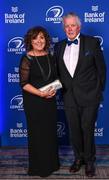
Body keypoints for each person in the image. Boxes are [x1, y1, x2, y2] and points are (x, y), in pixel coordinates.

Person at [54, 12, 106, 177]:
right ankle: (78, 158)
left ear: (79, 26)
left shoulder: (92, 43)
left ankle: (90, 161)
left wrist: (98, 91)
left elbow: (102, 70)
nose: (70, 29)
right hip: (69, 97)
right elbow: (57, 73)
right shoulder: (59, 46)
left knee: (88, 129)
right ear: (64, 28)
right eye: (66, 26)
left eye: (73, 25)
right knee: (74, 130)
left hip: (90, 96)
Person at [19, 26, 60, 177]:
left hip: (49, 101)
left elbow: (54, 78)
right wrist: (41, 94)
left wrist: (54, 89)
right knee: (37, 134)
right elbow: (24, 84)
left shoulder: (50, 56)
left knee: (49, 133)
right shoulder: (27, 58)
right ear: (30, 40)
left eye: (41, 37)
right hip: (34, 102)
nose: (39, 41)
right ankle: (39, 167)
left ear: (46, 40)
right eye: (35, 38)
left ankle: (52, 163)